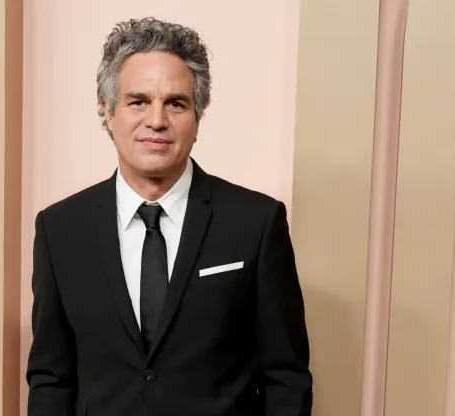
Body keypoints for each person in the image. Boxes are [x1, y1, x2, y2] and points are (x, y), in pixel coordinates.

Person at [26, 16, 313, 416]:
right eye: (138, 101)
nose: (157, 120)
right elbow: (51, 380)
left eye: (176, 103)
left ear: (198, 117)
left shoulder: (256, 224)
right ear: (108, 112)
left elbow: (286, 378)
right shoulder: (59, 230)